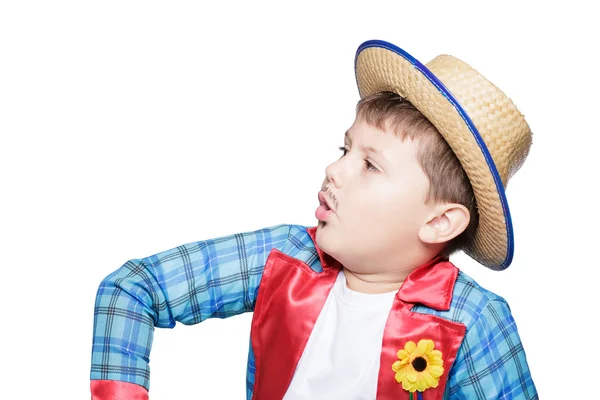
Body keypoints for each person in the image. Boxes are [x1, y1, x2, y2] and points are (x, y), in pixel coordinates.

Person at [90, 40, 537, 399]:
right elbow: (133, 287)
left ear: (439, 222)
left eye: (370, 165)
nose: (334, 170)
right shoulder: (287, 256)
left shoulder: (474, 320)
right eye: (346, 150)